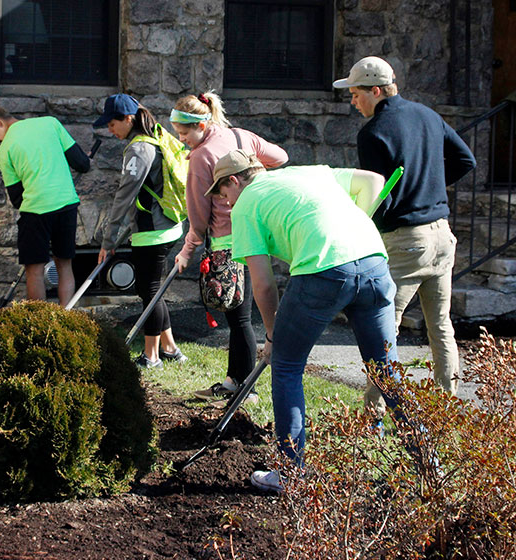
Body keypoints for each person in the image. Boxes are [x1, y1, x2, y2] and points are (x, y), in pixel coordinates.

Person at [208, 150, 400, 492]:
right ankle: (429, 467)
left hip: (322, 269)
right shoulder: (308, 172)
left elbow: (263, 285)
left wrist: (272, 336)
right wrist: (354, 225)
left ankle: (289, 474)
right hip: (372, 259)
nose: (225, 203)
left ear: (234, 181)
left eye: (223, 194)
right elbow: (373, 181)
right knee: (387, 372)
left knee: (286, 365)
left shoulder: (246, 205)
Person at [333, 56, 477, 421]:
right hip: (442, 236)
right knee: (440, 325)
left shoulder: (373, 132)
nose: (353, 102)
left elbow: (377, 196)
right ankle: (446, 406)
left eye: (356, 94)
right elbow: (466, 160)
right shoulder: (428, 116)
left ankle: (374, 415)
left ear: (376, 91)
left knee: (383, 329)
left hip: (406, 241)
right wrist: (429, 187)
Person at [170, 92, 288, 399]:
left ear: (201, 124)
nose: (182, 140)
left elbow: (198, 218)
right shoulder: (239, 135)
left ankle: (245, 387)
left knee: (240, 318)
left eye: (184, 133)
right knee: (241, 317)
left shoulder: (201, 157)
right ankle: (235, 381)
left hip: (226, 242)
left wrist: (187, 250)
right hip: (256, 231)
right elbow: (281, 157)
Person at [94, 94, 187, 368]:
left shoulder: (139, 148)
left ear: (128, 119)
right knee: (153, 289)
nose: (110, 130)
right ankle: (170, 349)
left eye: (112, 124)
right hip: (167, 226)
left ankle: (151, 356)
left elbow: (125, 195)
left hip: (153, 231)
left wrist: (108, 239)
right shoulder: (155, 137)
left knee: (149, 292)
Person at [0, 105, 91, 307]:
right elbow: (82, 163)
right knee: (65, 265)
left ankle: (39, 320)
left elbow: (16, 198)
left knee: (34, 270)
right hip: (66, 204)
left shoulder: (4, 152)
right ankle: (67, 318)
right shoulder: (50, 123)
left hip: (35, 211)